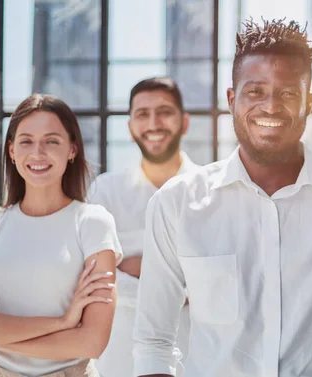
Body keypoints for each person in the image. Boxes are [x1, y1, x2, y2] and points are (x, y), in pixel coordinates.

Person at [133, 18, 312, 377]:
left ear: (308, 102)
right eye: (255, 91)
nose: (271, 107)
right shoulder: (177, 204)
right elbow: (154, 341)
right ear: (232, 99)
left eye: (288, 93)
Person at [0, 94, 122, 377]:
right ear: (11, 151)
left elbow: (92, 342)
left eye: (52, 141)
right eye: (26, 141)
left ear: (72, 149)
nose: (38, 153)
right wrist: (63, 322)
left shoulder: (93, 223)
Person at [89, 77, 199, 377]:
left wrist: (134, 266)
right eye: (142, 114)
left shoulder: (211, 192)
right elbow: (95, 283)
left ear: (184, 122)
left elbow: (220, 284)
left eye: (164, 111)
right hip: (118, 361)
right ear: (130, 126)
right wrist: (179, 280)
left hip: (195, 359)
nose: (153, 123)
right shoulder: (105, 191)